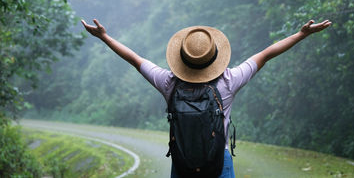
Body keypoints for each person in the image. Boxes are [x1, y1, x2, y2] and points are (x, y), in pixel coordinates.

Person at [81, 18, 332, 178]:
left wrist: (104, 36)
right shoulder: (228, 82)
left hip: (182, 160)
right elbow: (266, 54)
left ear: (181, 58)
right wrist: (302, 34)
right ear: (215, 57)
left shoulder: (169, 83)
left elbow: (135, 60)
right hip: (218, 161)